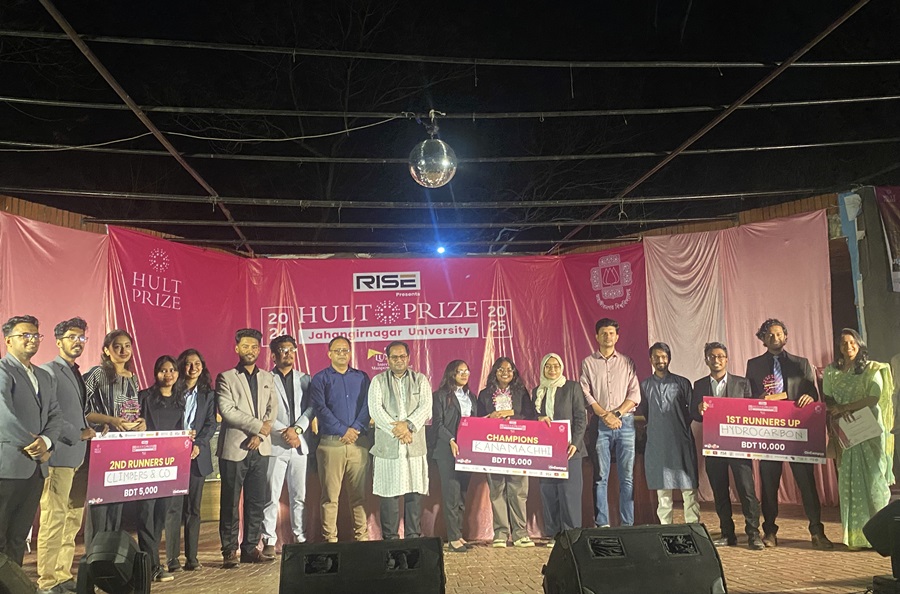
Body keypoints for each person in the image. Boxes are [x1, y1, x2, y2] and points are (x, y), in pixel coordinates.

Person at [746, 319, 832, 549]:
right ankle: (770, 532)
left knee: (807, 483)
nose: (774, 338)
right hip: (769, 433)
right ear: (763, 340)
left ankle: (817, 532)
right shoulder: (754, 365)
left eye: (778, 334)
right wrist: (758, 399)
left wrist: (810, 397)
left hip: (796, 432)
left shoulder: (801, 363)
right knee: (769, 484)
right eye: (769, 335)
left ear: (786, 337)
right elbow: (749, 395)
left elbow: (812, 392)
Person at [37, 318, 95, 593]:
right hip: (59, 455)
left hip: (79, 457)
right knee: (54, 518)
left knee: (72, 518)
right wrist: (77, 433)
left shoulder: (76, 372)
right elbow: (49, 413)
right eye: (72, 337)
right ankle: (47, 581)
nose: (77, 342)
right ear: (58, 341)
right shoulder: (48, 371)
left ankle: (62, 574)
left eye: (81, 338)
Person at [823, 328, 895, 550]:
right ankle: (856, 538)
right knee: (849, 483)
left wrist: (847, 407)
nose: (848, 346)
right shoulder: (832, 372)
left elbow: (874, 397)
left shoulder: (872, 368)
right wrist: (837, 410)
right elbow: (828, 398)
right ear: (839, 347)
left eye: (852, 342)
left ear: (859, 344)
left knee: (875, 482)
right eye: (844, 343)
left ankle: (882, 538)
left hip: (869, 430)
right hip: (846, 431)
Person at [0, 316, 62, 568]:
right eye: (24, 335)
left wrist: (47, 442)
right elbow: (3, 416)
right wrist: (35, 445)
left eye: (35, 335)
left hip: (36, 470)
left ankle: (12, 583)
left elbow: (55, 415)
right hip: (8, 467)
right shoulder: (3, 370)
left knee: (18, 537)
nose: (32, 339)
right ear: (8, 341)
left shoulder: (44, 376)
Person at [691, 342, 765, 550]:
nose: (716, 360)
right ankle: (727, 533)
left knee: (747, 491)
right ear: (706, 360)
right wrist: (698, 408)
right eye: (712, 357)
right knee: (719, 491)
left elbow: (751, 413)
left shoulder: (742, 383)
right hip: (713, 445)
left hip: (738, 445)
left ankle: (753, 534)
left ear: (726, 359)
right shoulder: (699, 385)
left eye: (720, 356)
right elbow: (694, 415)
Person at [216, 328, 278, 567]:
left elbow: (273, 410)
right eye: (245, 346)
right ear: (237, 348)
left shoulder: (267, 377)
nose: (250, 350)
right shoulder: (226, 377)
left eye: (254, 346)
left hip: (260, 448)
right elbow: (228, 411)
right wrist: (259, 427)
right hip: (235, 447)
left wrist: (260, 435)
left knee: (256, 501)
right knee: (230, 502)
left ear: (259, 350)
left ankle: (250, 548)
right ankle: (229, 550)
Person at [83, 329, 145, 552]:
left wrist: (141, 423)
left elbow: (132, 411)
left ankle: (109, 554)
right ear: (106, 350)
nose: (123, 350)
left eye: (127, 346)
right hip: (102, 444)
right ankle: (94, 555)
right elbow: (82, 409)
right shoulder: (97, 374)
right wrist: (109, 420)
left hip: (125, 447)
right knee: (100, 504)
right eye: (117, 346)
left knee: (117, 504)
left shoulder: (133, 378)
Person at [579, 318, 640, 527]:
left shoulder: (627, 362)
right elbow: (585, 393)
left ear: (617, 337)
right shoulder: (588, 363)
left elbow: (635, 394)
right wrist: (605, 415)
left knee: (627, 478)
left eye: (611, 333)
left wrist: (617, 414)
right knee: (600, 476)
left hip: (626, 424)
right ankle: (602, 524)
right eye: (604, 333)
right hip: (600, 425)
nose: (608, 336)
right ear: (597, 336)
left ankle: (627, 524)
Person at [310, 336, 371, 543]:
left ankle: (362, 538)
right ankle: (330, 540)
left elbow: (368, 406)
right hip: (331, 444)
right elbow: (320, 408)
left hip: (358, 444)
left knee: (359, 496)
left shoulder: (362, 377)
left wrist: (355, 428)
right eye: (338, 351)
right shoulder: (320, 379)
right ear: (329, 354)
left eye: (345, 350)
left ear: (350, 353)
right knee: (330, 497)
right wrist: (342, 430)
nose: (342, 354)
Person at [369, 341, 432, 540]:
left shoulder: (420, 379)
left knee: (414, 492)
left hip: (414, 444)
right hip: (388, 446)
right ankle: (390, 540)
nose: (399, 360)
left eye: (402, 356)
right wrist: (398, 431)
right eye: (394, 357)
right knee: (389, 493)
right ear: (387, 360)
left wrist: (408, 426)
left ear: (408, 358)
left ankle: (413, 537)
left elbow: (426, 407)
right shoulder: (378, 381)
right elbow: (376, 411)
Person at [261, 335, 316, 556]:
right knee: (271, 495)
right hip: (276, 443)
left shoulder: (305, 379)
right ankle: (268, 540)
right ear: (274, 355)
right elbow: (263, 411)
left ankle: (299, 537)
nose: (288, 354)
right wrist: (285, 432)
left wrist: (298, 430)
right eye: (283, 350)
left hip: (299, 444)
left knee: (299, 495)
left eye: (291, 350)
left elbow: (311, 407)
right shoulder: (265, 379)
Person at [166, 349, 217, 573]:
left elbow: (210, 424)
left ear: (202, 367)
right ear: (181, 367)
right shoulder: (171, 391)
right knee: (173, 509)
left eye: (197, 363)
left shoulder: (208, 394)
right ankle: (172, 559)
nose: (193, 368)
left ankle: (192, 558)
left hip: (197, 456)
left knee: (193, 510)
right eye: (188, 363)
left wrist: (199, 444)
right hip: (173, 456)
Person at [478, 357, 536, 547]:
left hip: (517, 446)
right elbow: (477, 419)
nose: (505, 373)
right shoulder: (485, 394)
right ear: (494, 372)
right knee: (497, 490)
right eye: (501, 369)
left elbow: (530, 416)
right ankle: (501, 533)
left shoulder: (521, 392)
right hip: (494, 447)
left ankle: (520, 533)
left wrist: (512, 415)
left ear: (514, 373)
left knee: (518, 490)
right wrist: (490, 417)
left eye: (509, 369)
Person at [638, 342, 699, 526]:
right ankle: (666, 528)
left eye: (664, 356)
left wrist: (678, 426)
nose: (660, 360)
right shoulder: (645, 385)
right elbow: (646, 412)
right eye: (656, 357)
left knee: (688, 487)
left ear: (669, 359)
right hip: (658, 442)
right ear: (650, 360)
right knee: (662, 490)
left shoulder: (682, 383)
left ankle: (693, 527)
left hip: (681, 441)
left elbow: (691, 412)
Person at [137, 356, 182, 583]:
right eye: (163, 370)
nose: (168, 374)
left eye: (172, 370)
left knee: (160, 515)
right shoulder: (144, 397)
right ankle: (151, 565)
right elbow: (133, 422)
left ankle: (151, 562)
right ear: (155, 373)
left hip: (169, 466)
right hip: (146, 464)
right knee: (146, 513)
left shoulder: (180, 400)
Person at [534, 353, 586, 547]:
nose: (552, 369)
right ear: (543, 369)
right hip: (545, 452)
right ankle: (554, 534)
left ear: (562, 367)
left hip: (569, 451)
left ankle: (571, 535)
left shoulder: (572, 387)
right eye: (548, 366)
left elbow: (581, 418)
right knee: (548, 493)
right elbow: (531, 418)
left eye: (556, 366)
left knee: (569, 494)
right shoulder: (537, 391)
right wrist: (538, 419)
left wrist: (575, 443)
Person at [430, 360, 478, 553]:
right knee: (451, 494)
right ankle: (452, 538)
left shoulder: (471, 397)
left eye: (467, 371)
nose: (464, 374)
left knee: (462, 494)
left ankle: (458, 534)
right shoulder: (440, 396)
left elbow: (474, 424)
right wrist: (451, 439)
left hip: (467, 451)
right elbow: (438, 423)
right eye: (460, 371)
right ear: (451, 373)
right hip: (446, 451)